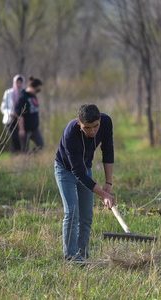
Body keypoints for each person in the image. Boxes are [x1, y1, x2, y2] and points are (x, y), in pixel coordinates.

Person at [54, 104, 115, 261]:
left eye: (95, 126)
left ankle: (82, 256)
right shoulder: (70, 133)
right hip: (65, 170)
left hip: (85, 168)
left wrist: (108, 183)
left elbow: (108, 152)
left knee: (86, 216)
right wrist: (103, 194)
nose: (92, 131)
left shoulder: (106, 122)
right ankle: (71, 258)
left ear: (100, 120)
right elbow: (78, 173)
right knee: (72, 212)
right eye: (87, 128)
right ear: (78, 122)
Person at [16, 76, 44, 153]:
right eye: (37, 89)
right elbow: (19, 115)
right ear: (32, 87)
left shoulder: (33, 96)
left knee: (40, 145)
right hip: (25, 129)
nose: (38, 92)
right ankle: (25, 161)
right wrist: (21, 129)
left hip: (34, 128)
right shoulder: (23, 97)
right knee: (24, 150)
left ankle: (31, 156)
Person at [0, 74, 24, 152]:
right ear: (14, 82)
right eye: (17, 82)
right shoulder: (8, 93)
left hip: (19, 120)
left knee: (19, 138)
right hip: (9, 119)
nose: (19, 84)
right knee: (13, 137)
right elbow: (3, 107)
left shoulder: (23, 93)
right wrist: (11, 113)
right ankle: (17, 153)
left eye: (20, 82)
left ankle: (16, 155)